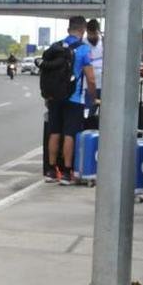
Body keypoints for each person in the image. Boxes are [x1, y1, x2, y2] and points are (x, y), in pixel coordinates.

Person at [44, 16, 95, 185]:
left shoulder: (56, 47)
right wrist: (94, 97)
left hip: (54, 97)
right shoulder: (84, 49)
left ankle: (51, 171)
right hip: (74, 98)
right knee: (69, 134)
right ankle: (67, 172)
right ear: (83, 30)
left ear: (68, 29)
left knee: (54, 132)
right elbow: (91, 78)